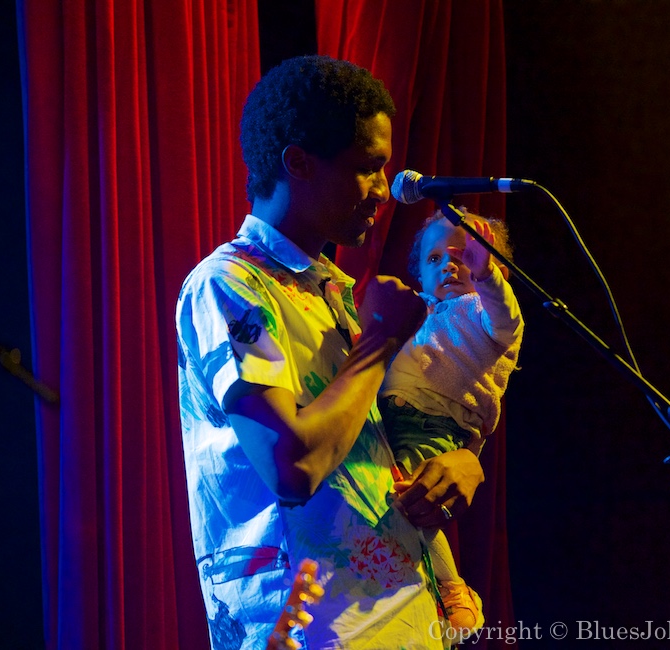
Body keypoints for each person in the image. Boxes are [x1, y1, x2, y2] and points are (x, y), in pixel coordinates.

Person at [175, 54, 484, 650]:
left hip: (405, 619)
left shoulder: (335, 290)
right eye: (367, 168)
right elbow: (292, 467)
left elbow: (373, 442)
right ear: (298, 163)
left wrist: (460, 461)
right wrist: (378, 344)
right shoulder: (228, 285)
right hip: (312, 631)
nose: (383, 191)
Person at [379, 210, 524, 636]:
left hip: (433, 424)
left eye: (462, 257)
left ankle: (453, 591)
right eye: (435, 258)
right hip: (394, 420)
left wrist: (488, 278)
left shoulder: (480, 312)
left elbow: (507, 319)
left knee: (410, 501)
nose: (448, 265)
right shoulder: (417, 313)